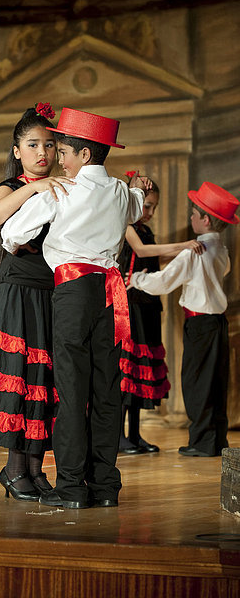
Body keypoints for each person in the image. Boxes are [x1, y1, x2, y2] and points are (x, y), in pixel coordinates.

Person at [2, 107, 149, 508]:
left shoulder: (60, 189)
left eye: (63, 150)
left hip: (72, 293)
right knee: (106, 392)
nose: (57, 158)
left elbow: (11, 234)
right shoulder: (120, 191)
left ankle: (71, 488)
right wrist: (138, 185)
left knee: (71, 391)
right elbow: (139, 202)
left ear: (84, 155)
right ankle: (104, 486)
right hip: (111, 294)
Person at [0, 103, 72, 501]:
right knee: (20, 377)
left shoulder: (63, 186)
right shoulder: (13, 187)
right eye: (32, 144)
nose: (42, 152)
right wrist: (32, 187)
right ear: (17, 150)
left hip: (51, 292)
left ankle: (35, 470)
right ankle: (14, 471)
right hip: (17, 294)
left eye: (49, 144)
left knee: (44, 384)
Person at [128, 181, 239, 457]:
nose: (190, 218)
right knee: (215, 382)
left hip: (200, 323)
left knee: (196, 382)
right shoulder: (221, 249)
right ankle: (215, 440)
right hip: (218, 322)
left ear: (205, 219)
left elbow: (165, 281)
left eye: (194, 214)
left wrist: (137, 278)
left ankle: (201, 442)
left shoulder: (195, 250)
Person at [118, 172, 204, 454]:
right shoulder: (125, 224)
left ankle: (135, 434)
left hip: (147, 302)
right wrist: (183, 245)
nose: (150, 212)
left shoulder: (145, 229)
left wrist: (186, 254)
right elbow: (142, 252)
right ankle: (118, 435)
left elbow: (155, 255)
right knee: (127, 369)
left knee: (142, 371)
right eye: (146, 206)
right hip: (128, 302)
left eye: (154, 206)